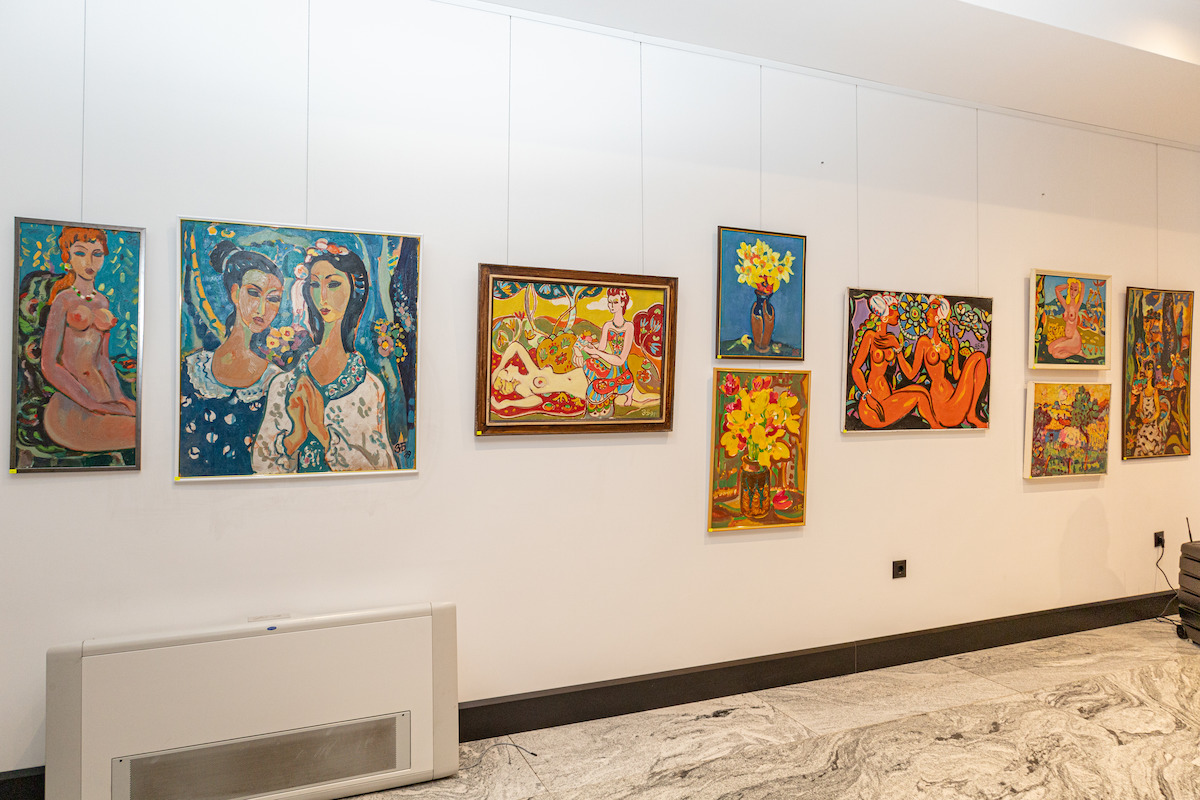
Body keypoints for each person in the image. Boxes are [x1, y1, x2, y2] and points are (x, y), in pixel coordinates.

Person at [253, 240, 395, 472]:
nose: (322, 296)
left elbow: (383, 469)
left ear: (354, 292)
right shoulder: (283, 384)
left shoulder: (369, 388)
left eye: (334, 284)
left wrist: (320, 430)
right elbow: (261, 466)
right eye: (315, 285)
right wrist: (296, 436)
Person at [179, 241, 285, 476]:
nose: (262, 309)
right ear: (236, 293)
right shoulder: (193, 369)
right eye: (254, 293)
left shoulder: (276, 380)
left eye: (273, 299)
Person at [39, 227, 137, 453]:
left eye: (97, 254)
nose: (89, 261)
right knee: (141, 434)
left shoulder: (103, 302)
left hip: (103, 397)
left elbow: (102, 360)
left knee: (149, 426)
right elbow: (49, 365)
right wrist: (91, 403)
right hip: (72, 404)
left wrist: (120, 398)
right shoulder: (63, 300)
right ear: (68, 257)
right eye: (80, 253)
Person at [849, 293, 941, 429]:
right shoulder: (870, 337)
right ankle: (937, 428)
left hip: (887, 400)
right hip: (873, 407)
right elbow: (856, 369)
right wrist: (868, 396)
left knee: (923, 392)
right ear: (884, 312)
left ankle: (938, 426)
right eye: (894, 308)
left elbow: (909, 374)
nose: (898, 312)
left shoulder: (891, 339)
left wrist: (897, 347)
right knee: (920, 396)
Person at [908, 296, 988, 427]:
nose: (927, 312)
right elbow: (911, 374)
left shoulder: (952, 342)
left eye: (933, 307)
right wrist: (898, 352)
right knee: (978, 357)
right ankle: (971, 414)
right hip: (942, 408)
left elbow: (956, 375)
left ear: (940, 314)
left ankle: (971, 413)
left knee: (978, 357)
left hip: (955, 400)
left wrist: (967, 371)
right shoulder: (924, 342)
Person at [579, 287, 637, 418]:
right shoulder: (607, 326)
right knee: (588, 363)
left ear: (622, 303)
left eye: (615, 302)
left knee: (594, 391)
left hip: (622, 375)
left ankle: (626, 393)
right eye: (609, 302)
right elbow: (600, 350)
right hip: (610, 369)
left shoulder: (629, 327)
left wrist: (597, 352)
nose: (611, 305)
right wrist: (586, 348)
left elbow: (620, 360)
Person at [1047, 277, 1084, 359]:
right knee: (1050, 349)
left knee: (1055, 353)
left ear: (1078, 291)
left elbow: (1083, 284)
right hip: (1067, 338)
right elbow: (1057, 289)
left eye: (1075, 290)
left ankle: (1077, 352)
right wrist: (1068, 285)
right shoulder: (1066, 305)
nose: (1072, 292)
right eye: (1071, 289)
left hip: (1075, 340)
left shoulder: (1077, 306)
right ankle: (1072, 351)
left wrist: (1076, 283)